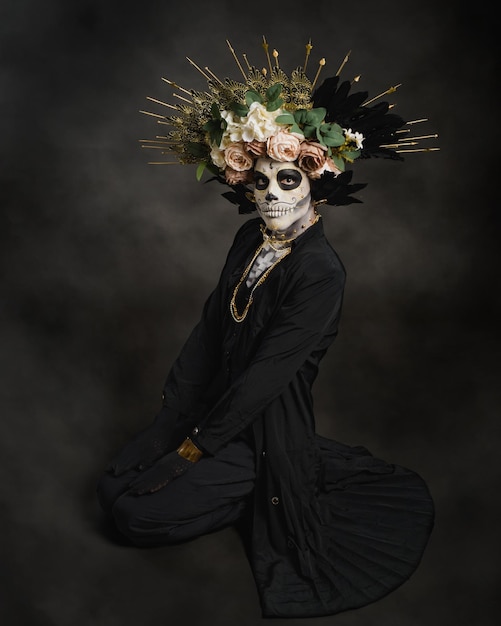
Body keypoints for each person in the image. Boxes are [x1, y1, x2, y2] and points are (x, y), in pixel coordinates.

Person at [97, 38, 436, 618]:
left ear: (315, 182)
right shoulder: (248, 237)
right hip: (214, 410)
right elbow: (211, 325)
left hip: (261, 424)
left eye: (286, 181)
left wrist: (192, 450)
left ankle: (272, 481)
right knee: (111, 486)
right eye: (259, 182)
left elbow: (265, 379)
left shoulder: (321, 272)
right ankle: (265, 469)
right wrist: (175, 414)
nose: (270, 196)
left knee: (135, 516)